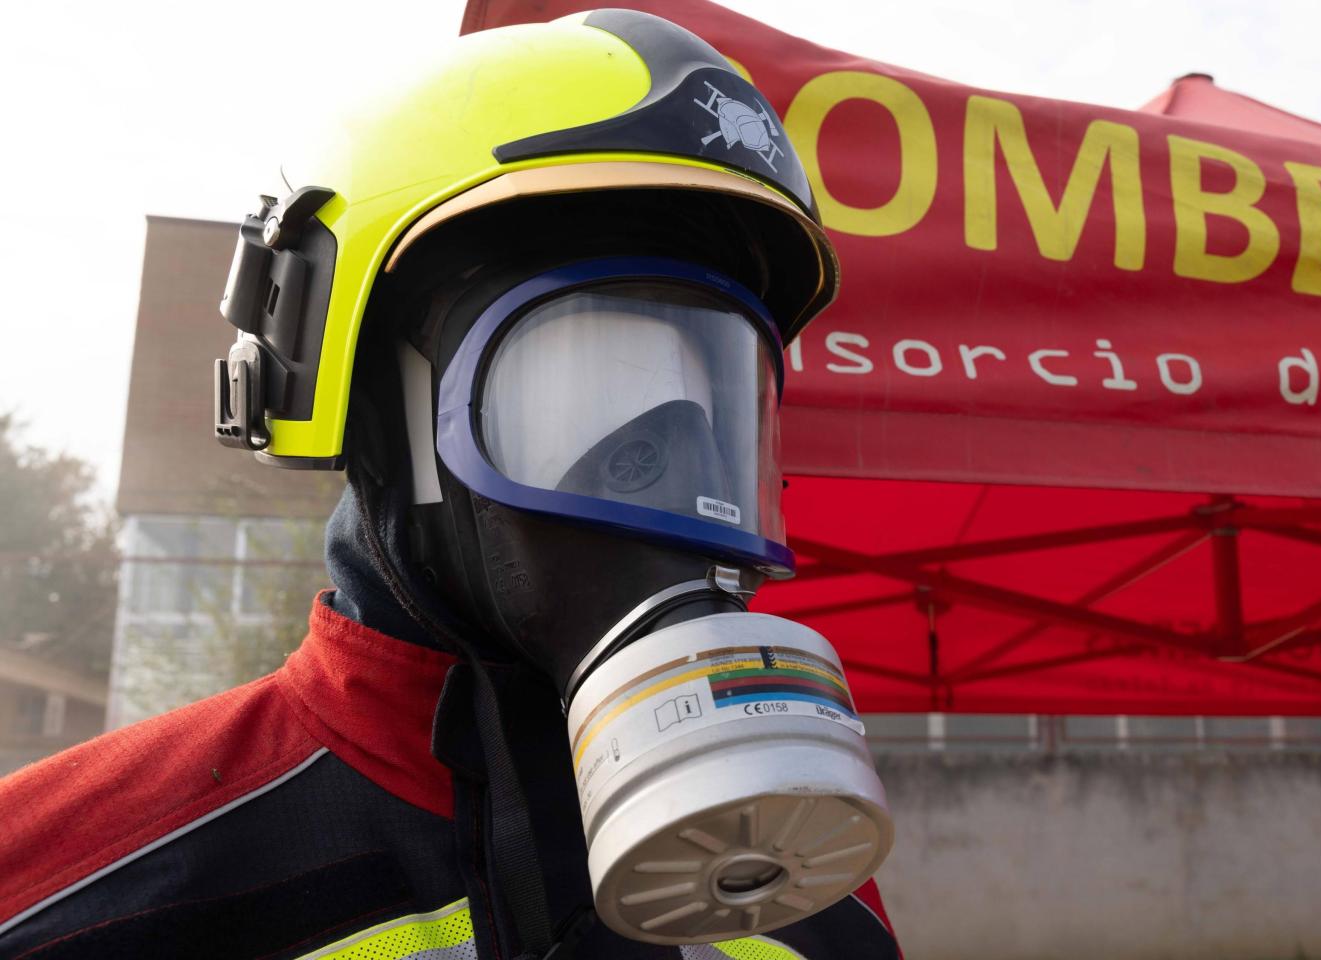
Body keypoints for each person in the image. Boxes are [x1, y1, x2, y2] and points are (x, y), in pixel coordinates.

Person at [0, 11, 902, 959]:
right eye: (582, 396)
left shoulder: (809, 897)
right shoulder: (78, 897)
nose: (679, 494)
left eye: (720, 412)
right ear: (366, 401)